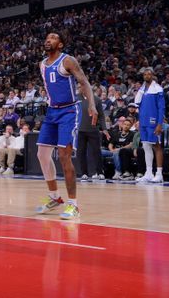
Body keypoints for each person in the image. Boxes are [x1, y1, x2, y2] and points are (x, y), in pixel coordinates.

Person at [34, 31, 97, 220]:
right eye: (47, 37)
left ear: (60, 44)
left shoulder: (67, 60)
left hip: (69, 111)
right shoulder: (42, 65)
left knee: (64, 156)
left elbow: (84, 82)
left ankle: (73, 205)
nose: (48, 39)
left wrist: (92, 105)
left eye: (53, 38)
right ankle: (54, 197)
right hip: (52, 111)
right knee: (42, 154)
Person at [134, 68, 166, 183]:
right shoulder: (142, 89)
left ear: (153, 75)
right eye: (145, 74)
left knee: (156, 146)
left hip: (153, 121)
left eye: (149, 74)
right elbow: (139, 107)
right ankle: (148, 173)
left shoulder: (158, 89)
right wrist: (139, 120)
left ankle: (159, 173)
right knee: (146, 146)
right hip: (143, 121)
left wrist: (159, 124)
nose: (146, 76)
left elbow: (161, 108)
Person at [76, 82, 105, 181]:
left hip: (93, 130)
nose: (79, 89)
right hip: (80, 130)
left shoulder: (96, 99)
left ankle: (100, 172)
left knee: (96, 151)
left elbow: (101, 115)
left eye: (81, 87)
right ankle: (84, 173)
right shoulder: (75, 98)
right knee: (81, 152)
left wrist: (104, 128)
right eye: (78, 87)